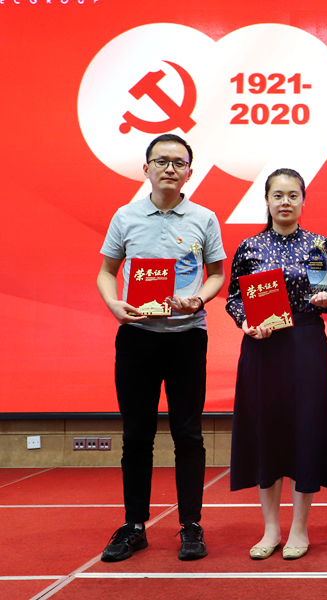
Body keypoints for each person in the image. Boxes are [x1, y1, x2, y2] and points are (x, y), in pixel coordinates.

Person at [97, 133, 226, 562]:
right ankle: (134, 525)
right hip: (137, 338)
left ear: (189, 171)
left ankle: (191, 525)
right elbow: (107, 271)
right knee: (137, 434)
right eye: (161, 161)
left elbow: (216, 274)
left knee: (188, 433)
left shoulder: (204, 218)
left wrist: (199, 299)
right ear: (146, 168)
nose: (170, 168)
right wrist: (114, 304)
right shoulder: (126, 216)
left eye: (178, 162)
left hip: (187, 337)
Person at [225, 168, 327, 560]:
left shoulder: (318, 245)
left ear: (303, 200)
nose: (285, 202)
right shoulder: (250, 247)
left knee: (305, 431)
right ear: (267, 200)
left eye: (293, 195)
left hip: (306, 345)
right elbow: (234, 298)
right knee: (267, 432)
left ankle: (300, 529)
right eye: (278, 195)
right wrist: (245, 321)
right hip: (262, 348)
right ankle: (271, 529)